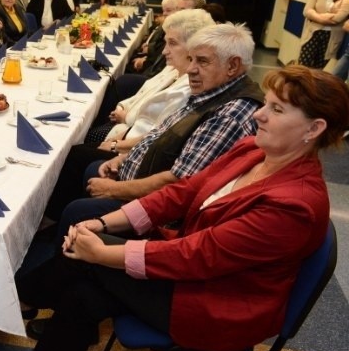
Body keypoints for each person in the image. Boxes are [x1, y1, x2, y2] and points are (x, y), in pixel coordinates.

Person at [8, 65, 349, 351]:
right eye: (267, 103)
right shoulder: (253, 150)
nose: (259, 114)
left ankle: (20, 298)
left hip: (220, 303)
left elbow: (199, 254)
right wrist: (106, 224)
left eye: (276, 109)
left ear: (314, 128)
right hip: (193, 272)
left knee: (87, 264)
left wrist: (101, 253)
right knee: (85, 285)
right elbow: (185, 192)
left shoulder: (296, 204)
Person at [42, 22, 264, 227]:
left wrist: (115, 189)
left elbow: (179, 183)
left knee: (77, 209)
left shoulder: (230, 114)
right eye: (191, 59)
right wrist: (124, 157)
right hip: (144, 176)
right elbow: (162, 134)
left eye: (202, 61)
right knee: (91, 169)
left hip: (159, 212)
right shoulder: (213, 92)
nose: (190, 69)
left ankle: (63, 250)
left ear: (233, 66)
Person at [86, 9, 215, 148]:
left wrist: (117, 141)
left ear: (193, 47)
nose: (164, 51)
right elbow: (144, 93)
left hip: (131, 145)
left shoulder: (191, 87)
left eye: (172, 43)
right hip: (126, 129)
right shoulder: (173, 69)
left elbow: (156, 135)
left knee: (78, 150)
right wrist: (123, 106)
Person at [298, 0, 349, 69]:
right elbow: (307, 11)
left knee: (318, 69)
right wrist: (323, 17)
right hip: (313, 32)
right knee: (302, 66)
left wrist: (315, 16)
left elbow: (338, 18)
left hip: (331, 36)